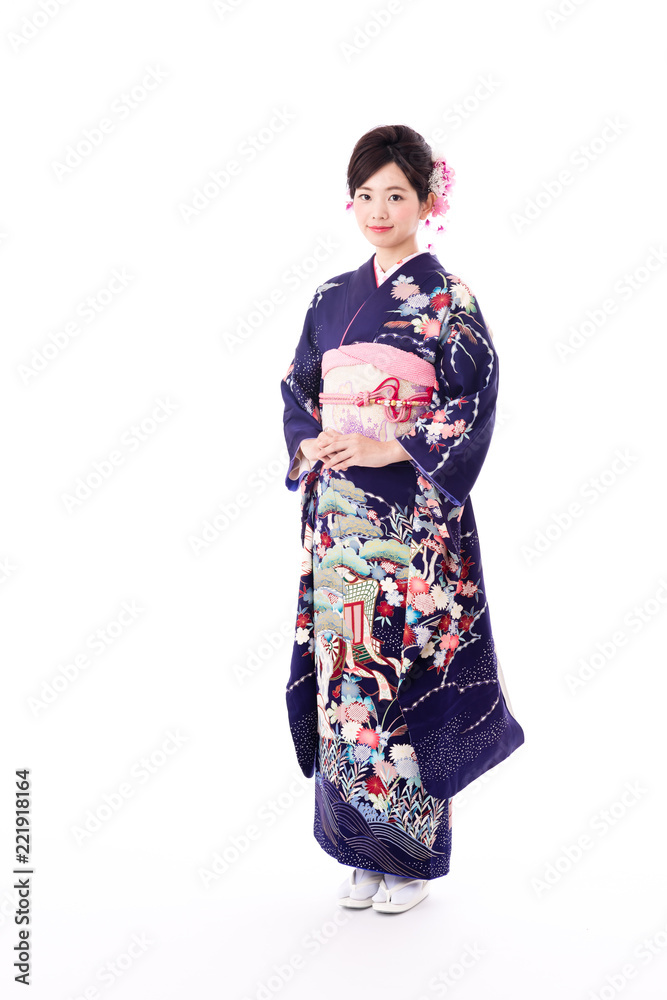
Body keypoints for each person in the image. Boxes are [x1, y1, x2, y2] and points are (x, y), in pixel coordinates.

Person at [280, 124, 525, 914]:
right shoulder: (328, 299)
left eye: (395, 195)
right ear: (349, 201)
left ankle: (410, 858)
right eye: (365, 195)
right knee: (342, 673)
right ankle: (360, 849)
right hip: (338, 516)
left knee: (400, 670)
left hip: (410, 519)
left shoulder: (449, 298)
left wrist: (388, 446)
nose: (378, 209)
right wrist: (313, 437)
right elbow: (298, 389)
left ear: (427, 201)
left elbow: (474, 401)